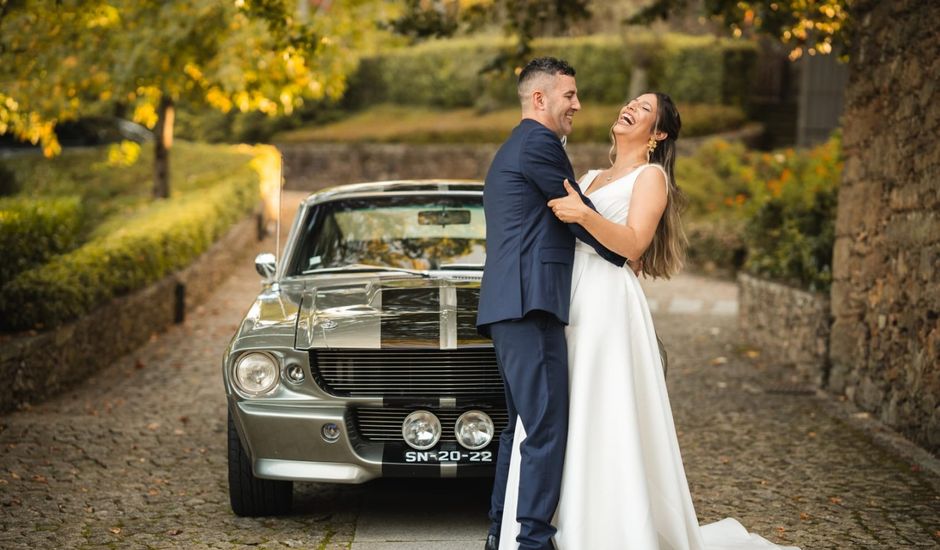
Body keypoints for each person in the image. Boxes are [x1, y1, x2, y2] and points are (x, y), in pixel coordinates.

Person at [497, 92, 802, 550]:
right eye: (630, 103)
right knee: (554, 413)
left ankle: (605, 528)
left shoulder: (651, 177)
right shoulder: (590, 175)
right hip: (567, 299)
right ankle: (544, 523)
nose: (630, 109)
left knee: (602, 410)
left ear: (657, 134)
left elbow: (634, 245)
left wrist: (583, 213)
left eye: (643, 109)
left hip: (607, 303)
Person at [476, 57, 627, 550]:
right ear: (539, 98)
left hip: (509, 306)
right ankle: (533, 543)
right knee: (546, 431)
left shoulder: (515, 145)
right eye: (569, 95)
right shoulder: (540, 144)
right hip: (530, 305)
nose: (577, 105)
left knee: (519, 430)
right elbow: (578, 212)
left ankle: (500, 536)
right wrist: (624, 250)